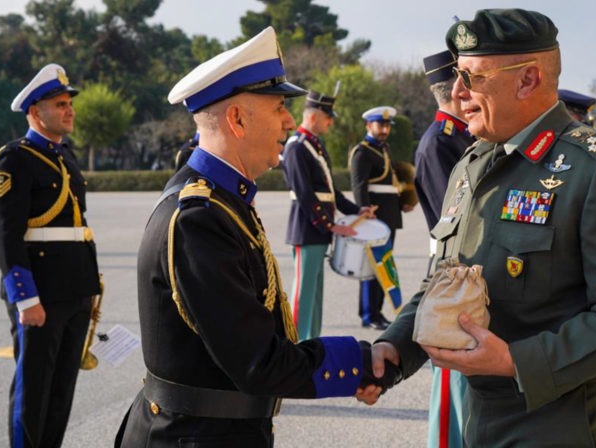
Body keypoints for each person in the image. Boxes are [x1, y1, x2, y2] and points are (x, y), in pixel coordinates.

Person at [362, 9, 596, 447]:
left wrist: (515, 361)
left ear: (527, 80)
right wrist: (395, 347)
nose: (456, 92)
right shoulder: (473, 164)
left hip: (560, 418)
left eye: (472, 78)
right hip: (482, 412)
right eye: (456, 77)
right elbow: (444, 278)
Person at [115, 27, 393, 448]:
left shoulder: (223, 201)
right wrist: (360, 361)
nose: (288, 121)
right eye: (279, 107)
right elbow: (257, 361)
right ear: (237, 119)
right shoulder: (199, 219)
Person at [0, 63, 102, 447]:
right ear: (36, 113)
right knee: (33, 391)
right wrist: (25, 297)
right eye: (60, 103)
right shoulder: (14, 159)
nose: (69, 110)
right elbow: (6, 235)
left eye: (69, 103)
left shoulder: (65, 156)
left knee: (60, 393)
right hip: (40, 294)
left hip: (74, 291)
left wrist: (90, 287)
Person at [415, 50, 474, 448]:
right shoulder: (440, 143)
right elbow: (451, 223)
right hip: (454, 272)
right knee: (451, 377)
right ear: (455, 88)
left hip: (466, 272)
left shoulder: (463, 137)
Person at [282, 90, 373, 340]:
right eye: (328, 117)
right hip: (307, 228)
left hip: (318, 230)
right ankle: (295, 347)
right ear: (314, 116)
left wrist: (357, 210)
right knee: (303, 293)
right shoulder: (297, 147)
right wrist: (330, 225)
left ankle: (312, 344)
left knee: (315, 295)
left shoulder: (315, 145)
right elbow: (305, 194)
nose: (331, 122)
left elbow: (331, 191)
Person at [349, 107, 409, 330]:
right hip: (374, 216)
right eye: (379, 125)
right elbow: (358, 185)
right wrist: (364, 211)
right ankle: (368, 313)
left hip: (389, 215)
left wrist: (404, 201)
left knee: (384, 265)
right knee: (372, 265)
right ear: (368, 126)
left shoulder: (384, 149)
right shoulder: (362, 152)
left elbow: (391, 183)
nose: (384, 129)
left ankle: (377, 311)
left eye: (386, 126)